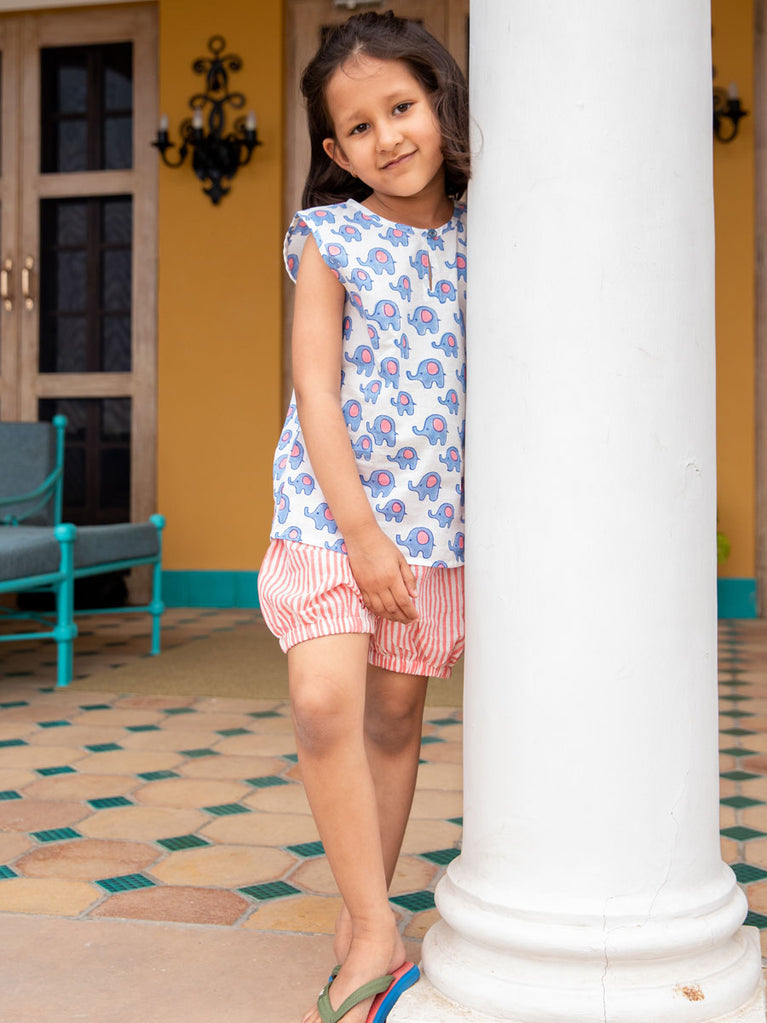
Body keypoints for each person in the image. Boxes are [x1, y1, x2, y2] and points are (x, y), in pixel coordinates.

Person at [257, 12, 470, 1023]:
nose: (386, 137)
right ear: (335, 151)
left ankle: (364, 920)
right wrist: (360, 533)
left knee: (392, 718)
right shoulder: (329, 237)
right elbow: (315, 386)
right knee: (323, 703)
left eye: (401, 107)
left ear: (438, 104)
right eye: (359, 126)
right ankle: (378, 927)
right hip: (331, 512)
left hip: (435, 522)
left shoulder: (491, 239)